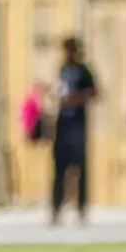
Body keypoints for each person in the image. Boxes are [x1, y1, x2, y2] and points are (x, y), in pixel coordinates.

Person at [51, 36, 97, 225]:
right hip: (63, 125)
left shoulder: (83, 71)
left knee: (79, 169)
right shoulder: (63, 70)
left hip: (77, 125)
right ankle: (56, 208)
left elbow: (94, 93)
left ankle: (81, 209)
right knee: (59, 169)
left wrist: (74, 98)